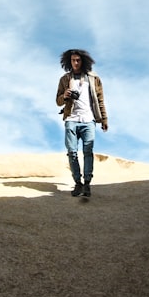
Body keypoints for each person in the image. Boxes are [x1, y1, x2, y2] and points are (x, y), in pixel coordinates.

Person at [56, 48, 108, 197]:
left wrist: (104, 119)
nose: (75, 63)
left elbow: (100, 100)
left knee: (88, 151)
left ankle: (87, 184)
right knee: (72, 152)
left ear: (83, 61)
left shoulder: (94, 79)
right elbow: (58, 102)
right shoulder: (65, 79)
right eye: (73, 60)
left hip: (88, 120)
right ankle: (77, 183)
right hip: (71, 119)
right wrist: (65, 96)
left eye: (78, 60)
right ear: (69, 61)